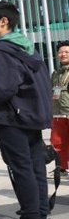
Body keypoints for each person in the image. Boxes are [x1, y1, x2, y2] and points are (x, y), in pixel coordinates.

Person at [0, 1, 53, 219]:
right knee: (35, 168)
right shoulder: (28, 48)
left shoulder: (1, 50)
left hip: (12, 117)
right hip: (31, 116)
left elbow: (0, 88)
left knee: (20, 168)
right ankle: (41, 218)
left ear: (4, 21)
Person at [50, 41, 69, 175]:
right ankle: (61, 168)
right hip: (58, 114)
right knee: (57, 142)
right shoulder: (55, 73)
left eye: (67, 52)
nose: (63, 54)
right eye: (61, 52)